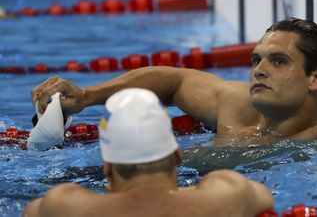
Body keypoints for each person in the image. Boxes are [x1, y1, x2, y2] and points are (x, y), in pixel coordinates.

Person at [31, 0, 317, 148]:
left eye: (277, 61)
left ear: (316, 78)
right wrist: (87, 95)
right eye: (256, 59)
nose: (258, 69)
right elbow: (173, 80)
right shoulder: (237, 104)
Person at [23, 88, 274, 217]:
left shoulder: (65, 206)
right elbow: (264, 198)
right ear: (177, 156)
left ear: (108, 168)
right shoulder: (228, 193)